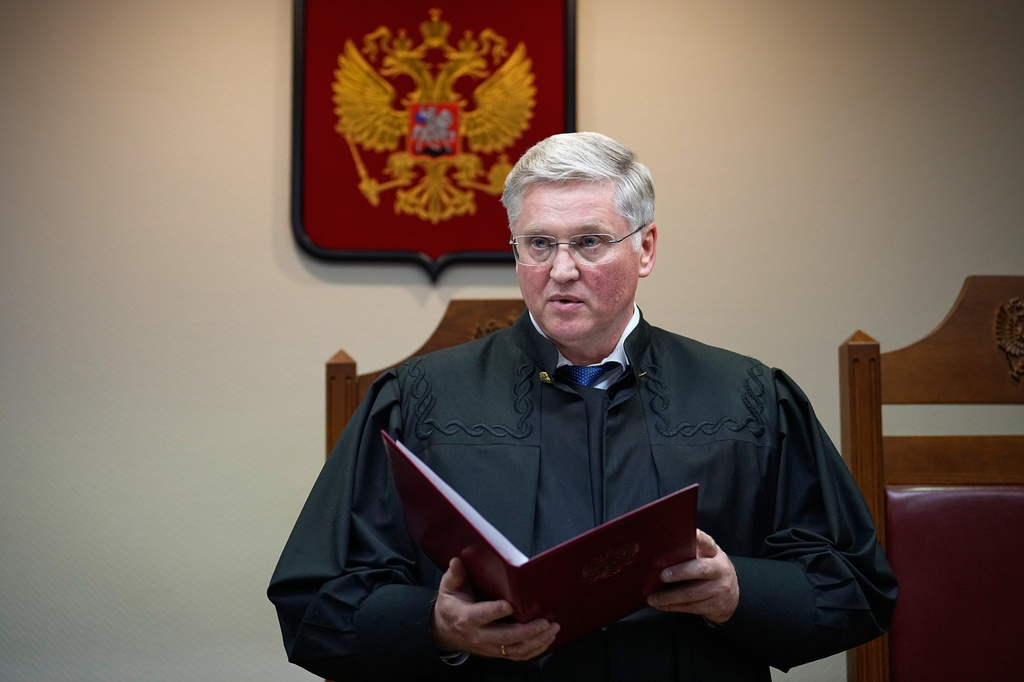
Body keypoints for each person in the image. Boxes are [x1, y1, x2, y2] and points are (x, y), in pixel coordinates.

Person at [268, 132, 897, 681]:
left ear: (645, 249)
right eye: (538, 244)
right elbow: (316, 604)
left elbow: (857, 587)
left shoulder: (750, 397)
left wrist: (740, 592)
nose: (560, 270)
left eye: (590, 242)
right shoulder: (418, 401)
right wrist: (437, 626)